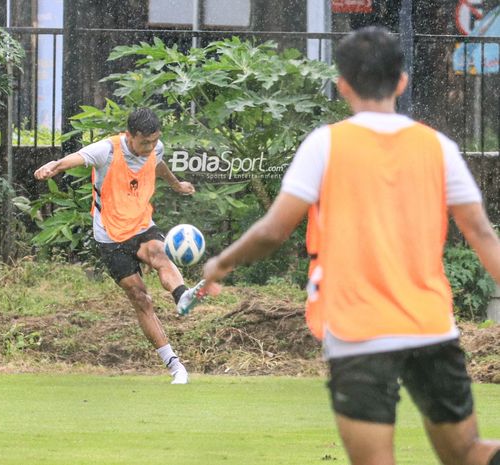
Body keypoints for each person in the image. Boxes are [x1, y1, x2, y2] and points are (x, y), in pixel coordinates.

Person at [202, 26, 500, 465]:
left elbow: (272, 231)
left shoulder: (326, 144)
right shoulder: (439, 147)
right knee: (468, 453)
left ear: (342, 84)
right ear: (402, 81)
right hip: (431, 326)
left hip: (359, 333)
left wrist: (222, 263)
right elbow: (482, 234)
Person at [34, 108, 204, 384]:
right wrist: (53, 165)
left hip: (141, 225)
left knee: (160, 255)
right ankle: (174, 364)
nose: (150, 148)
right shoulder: (108, 150)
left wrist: (175, 184)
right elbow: (77, 158)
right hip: (110, 236)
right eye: (144, 143)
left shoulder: (155, 148)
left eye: (154, 141)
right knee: (140, 298)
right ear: (129, 136)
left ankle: (182, 296)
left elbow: (159, 164)